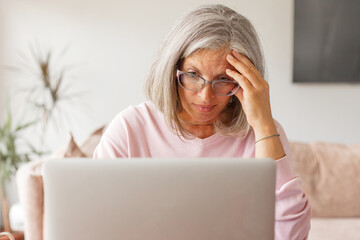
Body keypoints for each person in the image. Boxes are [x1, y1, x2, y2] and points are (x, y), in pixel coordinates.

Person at [94, 4, 311, 239]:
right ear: (172, 70)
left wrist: (264, 125)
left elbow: (290, 236)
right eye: (193, 75)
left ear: (246, 81)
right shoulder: (130, 128)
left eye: (223, 79)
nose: (206, 96)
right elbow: (96, 223)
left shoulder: (263, 134)